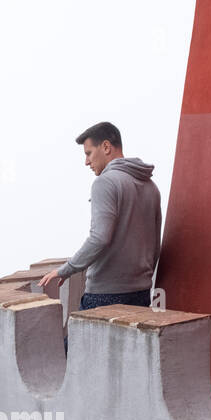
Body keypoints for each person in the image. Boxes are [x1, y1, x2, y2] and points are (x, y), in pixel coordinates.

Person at [40, 122, 162, 347]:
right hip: (141, 291)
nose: (86, 162)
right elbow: (155, 243)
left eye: (88, 153)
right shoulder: (150, 186)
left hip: (106, 293)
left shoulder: (105, 182)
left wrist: (66, 269)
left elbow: (99, 237)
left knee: (70, 357)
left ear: (106, 147)